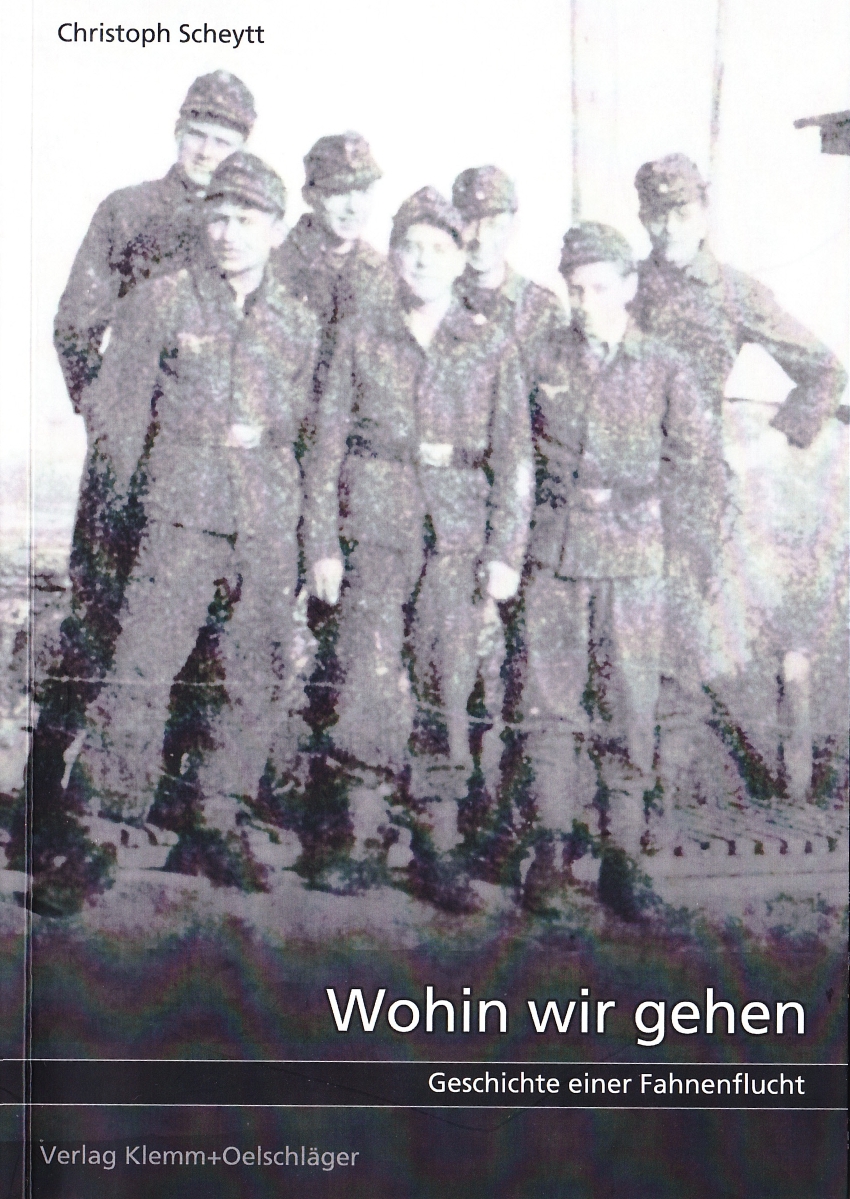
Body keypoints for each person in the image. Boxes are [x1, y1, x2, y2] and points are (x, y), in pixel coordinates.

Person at [69, 153, 318, 881]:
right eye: (219, 216)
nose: (229, 231)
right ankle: (91, 829)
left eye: (246, 219)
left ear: (276, 230)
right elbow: (118, 425)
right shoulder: (162, 301)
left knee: (247, 674)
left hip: (263, 524)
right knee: (140, 670)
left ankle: (213, 821)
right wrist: (119, 525)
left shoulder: (298, 322)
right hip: (176, 518)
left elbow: (302, 436)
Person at [306, 187, 532, 862]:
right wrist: (322, 544)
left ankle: (439, 837)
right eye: (411, 247)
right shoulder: (361, 334)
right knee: (365, 679)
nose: (424, 260)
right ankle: (358, 831)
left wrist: (505, 550)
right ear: (394, 256)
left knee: (447, 682)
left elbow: (514, 457)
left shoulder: (490, 344)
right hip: (373, 531)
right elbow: (325, 447)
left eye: (439, 248)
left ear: (461, 259)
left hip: (456, 539)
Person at [633, 153, 848, 799]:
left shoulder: (732, 291)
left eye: (681, 212)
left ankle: (664, 794)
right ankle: (620, 789)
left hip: (690, 491)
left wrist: (766, 443)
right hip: (619, 485)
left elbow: (824, 370)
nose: (669, 226)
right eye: (657, 213)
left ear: (703, 213)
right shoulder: (624, 286)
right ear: (642, 217)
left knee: (677, 636)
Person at [523, 222, 723, 864]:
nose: (586, 303)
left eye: (600, 288)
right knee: (550, 703)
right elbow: (515, 449)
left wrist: (657, 527)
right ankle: (550, 853)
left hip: (635, 558)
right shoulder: (540, 358)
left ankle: (623, 857)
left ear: (629, 287)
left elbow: (696, 463)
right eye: (576, 290)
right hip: (555, 554)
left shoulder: (663, 366)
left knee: (629, 704)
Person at [450, 166, 569, 791]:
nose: (479, 236)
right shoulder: (436, 295)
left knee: (528, 654)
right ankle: (460, 789)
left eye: (493, 222)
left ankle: (517, 805)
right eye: (468, 221)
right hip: (462, 496)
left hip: (532, 503)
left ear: (512, 225)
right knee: (453, 650)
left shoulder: (541, 309)